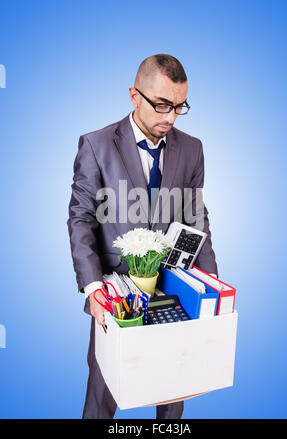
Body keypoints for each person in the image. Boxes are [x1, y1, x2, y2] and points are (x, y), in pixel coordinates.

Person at [67, 54, 218, 419]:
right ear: (134, 95)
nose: (169, 117)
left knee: (173, 384)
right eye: (162, 104)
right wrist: (92, 288)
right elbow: (81, 218)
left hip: (174, 285)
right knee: (104, 389)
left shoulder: (193, 148)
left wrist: (211, 280)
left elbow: (196, 216)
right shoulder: (96, 144)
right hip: (115, 293)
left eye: (179, 107)